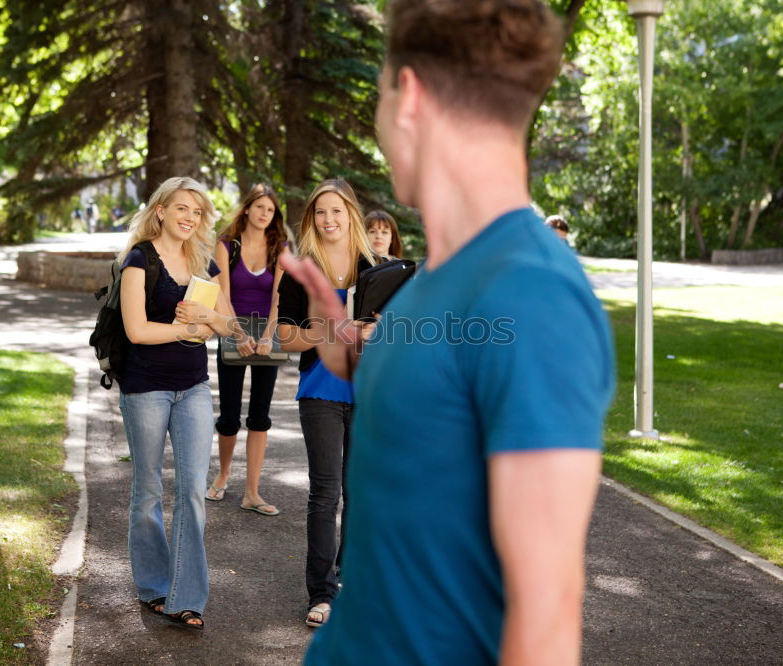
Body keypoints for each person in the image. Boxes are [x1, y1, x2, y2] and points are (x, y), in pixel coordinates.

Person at [281, 2, 615, 663]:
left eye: (377, 95)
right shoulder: (437, 273)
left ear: (407, 99)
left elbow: (546, 612)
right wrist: (343, 345)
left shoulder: (533, 293)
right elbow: (432, 401)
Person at [117, 176, 247, 631]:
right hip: (145, 388)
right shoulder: (139, 260)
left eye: (197, 211)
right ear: (160, 211)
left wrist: (208, 318)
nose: (189, 218)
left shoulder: (203, 261)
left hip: (193, 387)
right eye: (181, 209)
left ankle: (186, 597)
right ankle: (154, 586)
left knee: (192, 490)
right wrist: (188, 330)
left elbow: (229, 325)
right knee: (148, 490)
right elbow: (136, 331)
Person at [276, 178, 377, 629]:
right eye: (321, 212)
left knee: (360, 493)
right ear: (311, 219)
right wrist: (327, 332)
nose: (329, 219)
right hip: (320, 391)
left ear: (351, 214)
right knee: (326, 492)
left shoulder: (376, 268)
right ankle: (321, 591)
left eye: (337, 211)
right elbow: (284, 334)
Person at [206, 184, 289, 517]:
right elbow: (221, 295)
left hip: (267, 333)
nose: (264, 214)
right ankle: (224, 474)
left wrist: (269, 335)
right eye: (259, 208)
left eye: (270, 210)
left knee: (260, 415)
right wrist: (238, 333)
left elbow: (278, 298)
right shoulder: (227, 245)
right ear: (247, 209)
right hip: (232, 329)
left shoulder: (279, 248)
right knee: (228, 415)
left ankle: (252, 492)